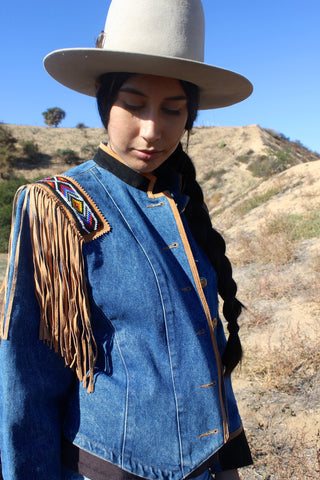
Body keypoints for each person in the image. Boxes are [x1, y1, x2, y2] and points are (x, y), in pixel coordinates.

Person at [0, 0, 254, 479]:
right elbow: (27, 378)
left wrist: (228, 462)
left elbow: (204, 348)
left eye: (174, 109)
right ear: (103, 98)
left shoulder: (181, 202)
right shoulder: (58, 208)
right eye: (134, 105)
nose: (153, 130)